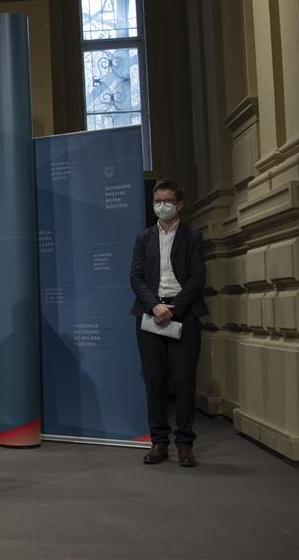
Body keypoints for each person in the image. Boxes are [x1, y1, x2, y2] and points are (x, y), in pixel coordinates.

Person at [129, 179, 207, 467]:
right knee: (154, 381)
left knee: (184, 382)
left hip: (183, 314)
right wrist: (154, 306)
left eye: (168, 201)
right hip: (151, 314)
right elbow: (135, 277)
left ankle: (185, 444)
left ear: (179, 204)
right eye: (157, 201)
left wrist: (174, 309)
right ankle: (159, 442)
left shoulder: (193, 237)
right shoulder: (143, 238)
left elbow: (198, 278)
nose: (162, 206)